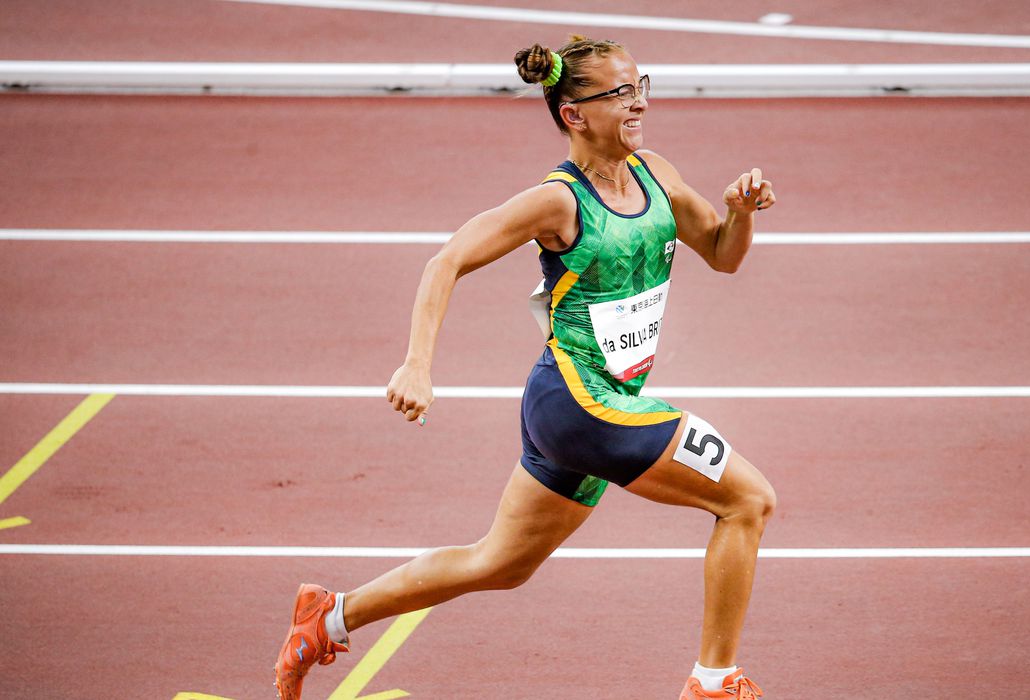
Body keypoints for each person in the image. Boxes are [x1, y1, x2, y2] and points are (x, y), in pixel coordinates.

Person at [274, 35, 777, 700]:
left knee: (501, 563)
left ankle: (328, 616)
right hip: (578, 403)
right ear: (574, 113)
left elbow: (722, 252)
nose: (641, 101)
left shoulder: (655, 172)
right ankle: (714, 683)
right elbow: (446, 259)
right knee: (748, 499)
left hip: (585, 405)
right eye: (622, 93)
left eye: (641, 84)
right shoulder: (558, 202)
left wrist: (739, 215)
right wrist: (417, 365)